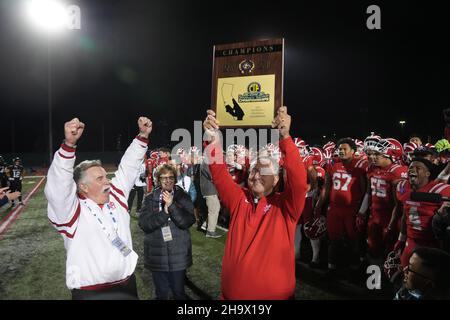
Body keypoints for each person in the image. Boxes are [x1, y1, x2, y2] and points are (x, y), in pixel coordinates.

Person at [203, 106, 307, 300]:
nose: (256, 175)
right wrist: (211, 138)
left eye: (264, 170)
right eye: (253, 170)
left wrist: (285, 138)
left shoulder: (286, 206)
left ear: (276, 179)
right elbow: (218, 172)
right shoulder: (239, 199)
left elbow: (299, 183)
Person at [45, 117, 152, 300]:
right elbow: (59, 187)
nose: (107, 181)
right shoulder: (71, 212)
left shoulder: (116, 197)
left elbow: (128, 167)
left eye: (106, 176)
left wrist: (142, 136)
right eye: (99, 178)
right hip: (91, 293)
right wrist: (69, 145)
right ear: (83, 187)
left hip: (127, 286)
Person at [138, 164, 195, 300]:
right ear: (158, 179)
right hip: (158, 254)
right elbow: (144, 224)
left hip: (178, 254)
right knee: (162, 293)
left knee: (178, 292)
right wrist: (164, 213)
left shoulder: (182, 196)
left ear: (175, 179)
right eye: (163, 178)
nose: (167, 180)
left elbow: (187, 221)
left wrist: (172, 206)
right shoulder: (150, 198)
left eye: (171, 177)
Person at [315, 138, 368, 276]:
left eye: (345, 149)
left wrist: (361, 210)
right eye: (340, 149)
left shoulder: (359, 167)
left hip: (351, 209)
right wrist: (319, 204)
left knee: (353, 239)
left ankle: (354, 267)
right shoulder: (332, 165)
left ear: (353, 151)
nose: (342, 151)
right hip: (334, 208)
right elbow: (326, 188)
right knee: (333, 239)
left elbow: (363, 192)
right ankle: (332, 268)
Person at [394, 158, 450, 267]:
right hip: (411, 241)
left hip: (433, 244)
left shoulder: (438, 190)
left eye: (418, 168)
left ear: (427, 174)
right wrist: (401, 239)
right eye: (410, 168)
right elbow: (405, 216)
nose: (412, 170)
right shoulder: (403, 188)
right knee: (403, 273)